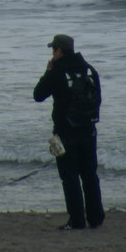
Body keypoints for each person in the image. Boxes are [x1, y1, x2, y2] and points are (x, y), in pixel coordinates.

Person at [33, 34, 105, 230]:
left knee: (70, 176)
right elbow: (98, 99)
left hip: (65, 133)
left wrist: (48, 71)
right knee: (90, 174)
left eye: (53, 50)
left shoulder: (57, 72)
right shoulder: (90, 70)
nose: (52, 55)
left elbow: (38, 95)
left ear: (58, 51)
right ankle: (96, 218)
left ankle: (77, 221)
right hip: (89, 130)